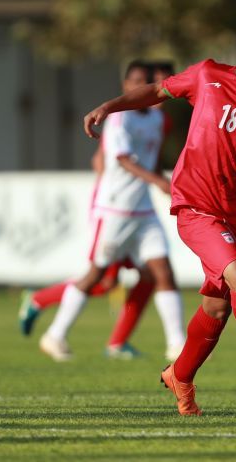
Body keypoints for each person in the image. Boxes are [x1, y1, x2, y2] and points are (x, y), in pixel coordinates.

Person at [83, 11, 236, 416]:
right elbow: (157, 91)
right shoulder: (207, 75)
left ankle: (180, 376)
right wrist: (109, 107)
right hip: (197, 206)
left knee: (218, 307)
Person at [34, 61, 185, 363]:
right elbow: (123, 160)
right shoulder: (119, 120)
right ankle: (55, 334)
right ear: (126, 85)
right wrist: (158, 181)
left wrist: (164, 181)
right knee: (98, 276)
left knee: (163, 272)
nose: (140, 87)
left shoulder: (156, 118)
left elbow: (152, 159)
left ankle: (177, 345)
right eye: (136, 81)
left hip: (143, 210)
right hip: (115, 209)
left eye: (146, 82)